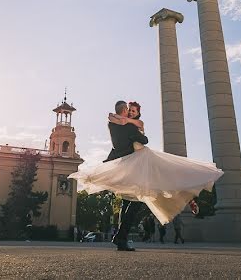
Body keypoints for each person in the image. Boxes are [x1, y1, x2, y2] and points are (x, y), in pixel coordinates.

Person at [69, 100, 223, 252]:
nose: (130, 112)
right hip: (138, 163)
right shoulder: (129, 127)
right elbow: (144, 140)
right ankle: (121, 237)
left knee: (134, 197)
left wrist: (125, 119)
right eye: (129, 110)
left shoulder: (114, 124)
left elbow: (114, 118)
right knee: (143, 195)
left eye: (134, 111)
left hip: (128, 164)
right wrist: (128, 122)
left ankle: (121, 236)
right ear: (124, 111)